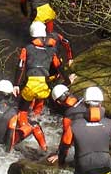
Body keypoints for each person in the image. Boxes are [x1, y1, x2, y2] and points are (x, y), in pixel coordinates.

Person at [11, 21, 73, 152]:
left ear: (32, 35)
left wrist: (16, 85)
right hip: (44, 87)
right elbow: (59, 67)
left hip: (30, 86)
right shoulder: (51, 50)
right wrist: (67, 80)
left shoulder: (26, 48)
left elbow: (20, 66)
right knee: (37, 108)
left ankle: (23, 129)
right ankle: (42, 141)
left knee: (22, 110)